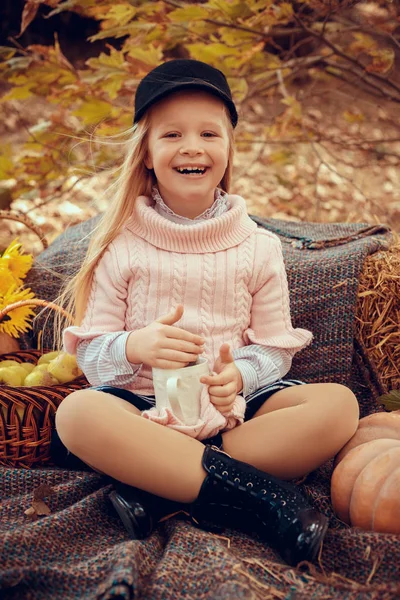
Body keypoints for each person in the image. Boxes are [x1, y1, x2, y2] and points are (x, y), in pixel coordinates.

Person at [52, 59, 360, 566]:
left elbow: (274, 349)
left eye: (208, 133)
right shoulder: (121, 246)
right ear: (147, 155)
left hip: (230, 415)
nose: (192, 145)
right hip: (145, 414)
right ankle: (270, 500)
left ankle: (159, 489)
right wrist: (133, 346)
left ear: (227, 149)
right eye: (172, 133)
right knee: (78, 413)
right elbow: (90, 354)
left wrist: (240, 374)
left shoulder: (258, 247)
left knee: (339, 406)